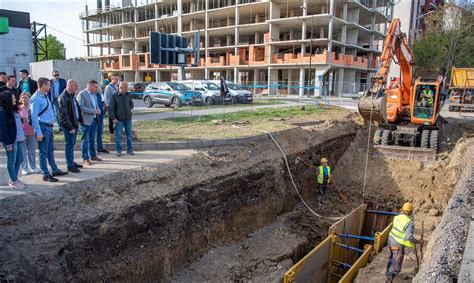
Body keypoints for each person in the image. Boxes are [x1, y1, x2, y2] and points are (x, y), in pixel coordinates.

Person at [30, 77, 68, 182]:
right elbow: (34, 117)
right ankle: (45, 174)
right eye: (48, 85)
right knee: (43, 152)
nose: (50, 86)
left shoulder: (44, 96)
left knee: (50, 150)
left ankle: (54, 169)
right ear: (43, 86)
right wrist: (38, 132)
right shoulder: (35, 98)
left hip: (48, 127)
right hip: (42, 127)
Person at [386, 202, 424, 283]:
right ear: (411, 211)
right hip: (398, 245)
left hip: (390, 240)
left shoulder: (397, 217)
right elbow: (409, 237)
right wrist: (418, 241)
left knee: (391, 257)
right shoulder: (409, 223)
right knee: (396, 264)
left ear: (402, 210)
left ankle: (388, 272)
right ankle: (389, 278)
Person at [0, 90, 26, 189]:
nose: (15, 99)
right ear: (7, 100)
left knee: (20, 159)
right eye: (13, 98)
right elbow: (3, 129)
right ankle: (14, 181)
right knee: (12, 160)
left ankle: (13, 178)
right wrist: (8, 143)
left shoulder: (13, 109)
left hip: (18, 138)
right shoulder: (2, 112)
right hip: (10, 141)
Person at [59, 80, 83, 173]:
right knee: (69, 145)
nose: (77, 88)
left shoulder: (71, 96)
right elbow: (63, 114)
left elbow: (76, 109)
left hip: (74, 123)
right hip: (70, 126)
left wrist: (79, 120)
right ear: (70, 86)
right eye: (76, 86)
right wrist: (70, 127)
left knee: (72, 144)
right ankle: (70, 165)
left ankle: (71, 161)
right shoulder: (63, 97)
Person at [77, 80, 103, 166]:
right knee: (85, 140)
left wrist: (98, 109)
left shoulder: (94, 95)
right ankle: (85, 158)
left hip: (94, 120)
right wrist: (94, 111)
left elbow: (95, 105)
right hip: (86, 121)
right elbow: (80, 108)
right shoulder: (82, 94)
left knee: (92, 139)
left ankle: (93, 155)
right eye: (95, 87)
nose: (97, 88)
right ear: (90, 86)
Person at [18, 92, 41, 175]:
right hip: (22, 132)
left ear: (29, 99)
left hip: (32, 132)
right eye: (23, 97)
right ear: (20, 99)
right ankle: (24, 168)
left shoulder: (32, 108)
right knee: (23, 152)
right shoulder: (18, 109)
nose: (24, 99)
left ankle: (33, 167)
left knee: (31, 151)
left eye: (26, 97)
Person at [109, 81, 134, 157]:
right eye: (125, 87)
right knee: (119, 136)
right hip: (119, 120)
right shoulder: (114, 96)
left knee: (129, 135)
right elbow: (111, 108)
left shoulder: (128, 95)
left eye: (127, 87)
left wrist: (129, 109)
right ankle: (119, 151)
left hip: (128, 119)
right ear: (120, 88)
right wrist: (113, 118)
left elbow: (131, 104)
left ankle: (129, 150)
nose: (127, 89)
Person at [96, 89, 109, 153]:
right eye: (95, 87)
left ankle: (100, 148)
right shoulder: (87, 95)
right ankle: (91, 151)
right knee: (91, 136)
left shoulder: (98, 95)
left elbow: (103, 104)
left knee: (100, 134)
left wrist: (103, 113)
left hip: (100, 118)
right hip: (93, 119)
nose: (97, 88)